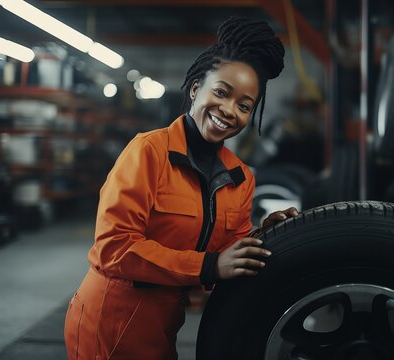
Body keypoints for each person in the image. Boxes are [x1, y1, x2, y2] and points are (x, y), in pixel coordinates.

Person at [64, 16, 298, 360]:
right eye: (221, 92)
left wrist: (265, 238)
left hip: (166, 320)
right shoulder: (148, 152)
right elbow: (114, 248)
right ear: (194, 89)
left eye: (244, 105)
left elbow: (223, 255)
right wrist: (209, 266)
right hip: (111, 319)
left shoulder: (240, 177)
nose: (228, 110)